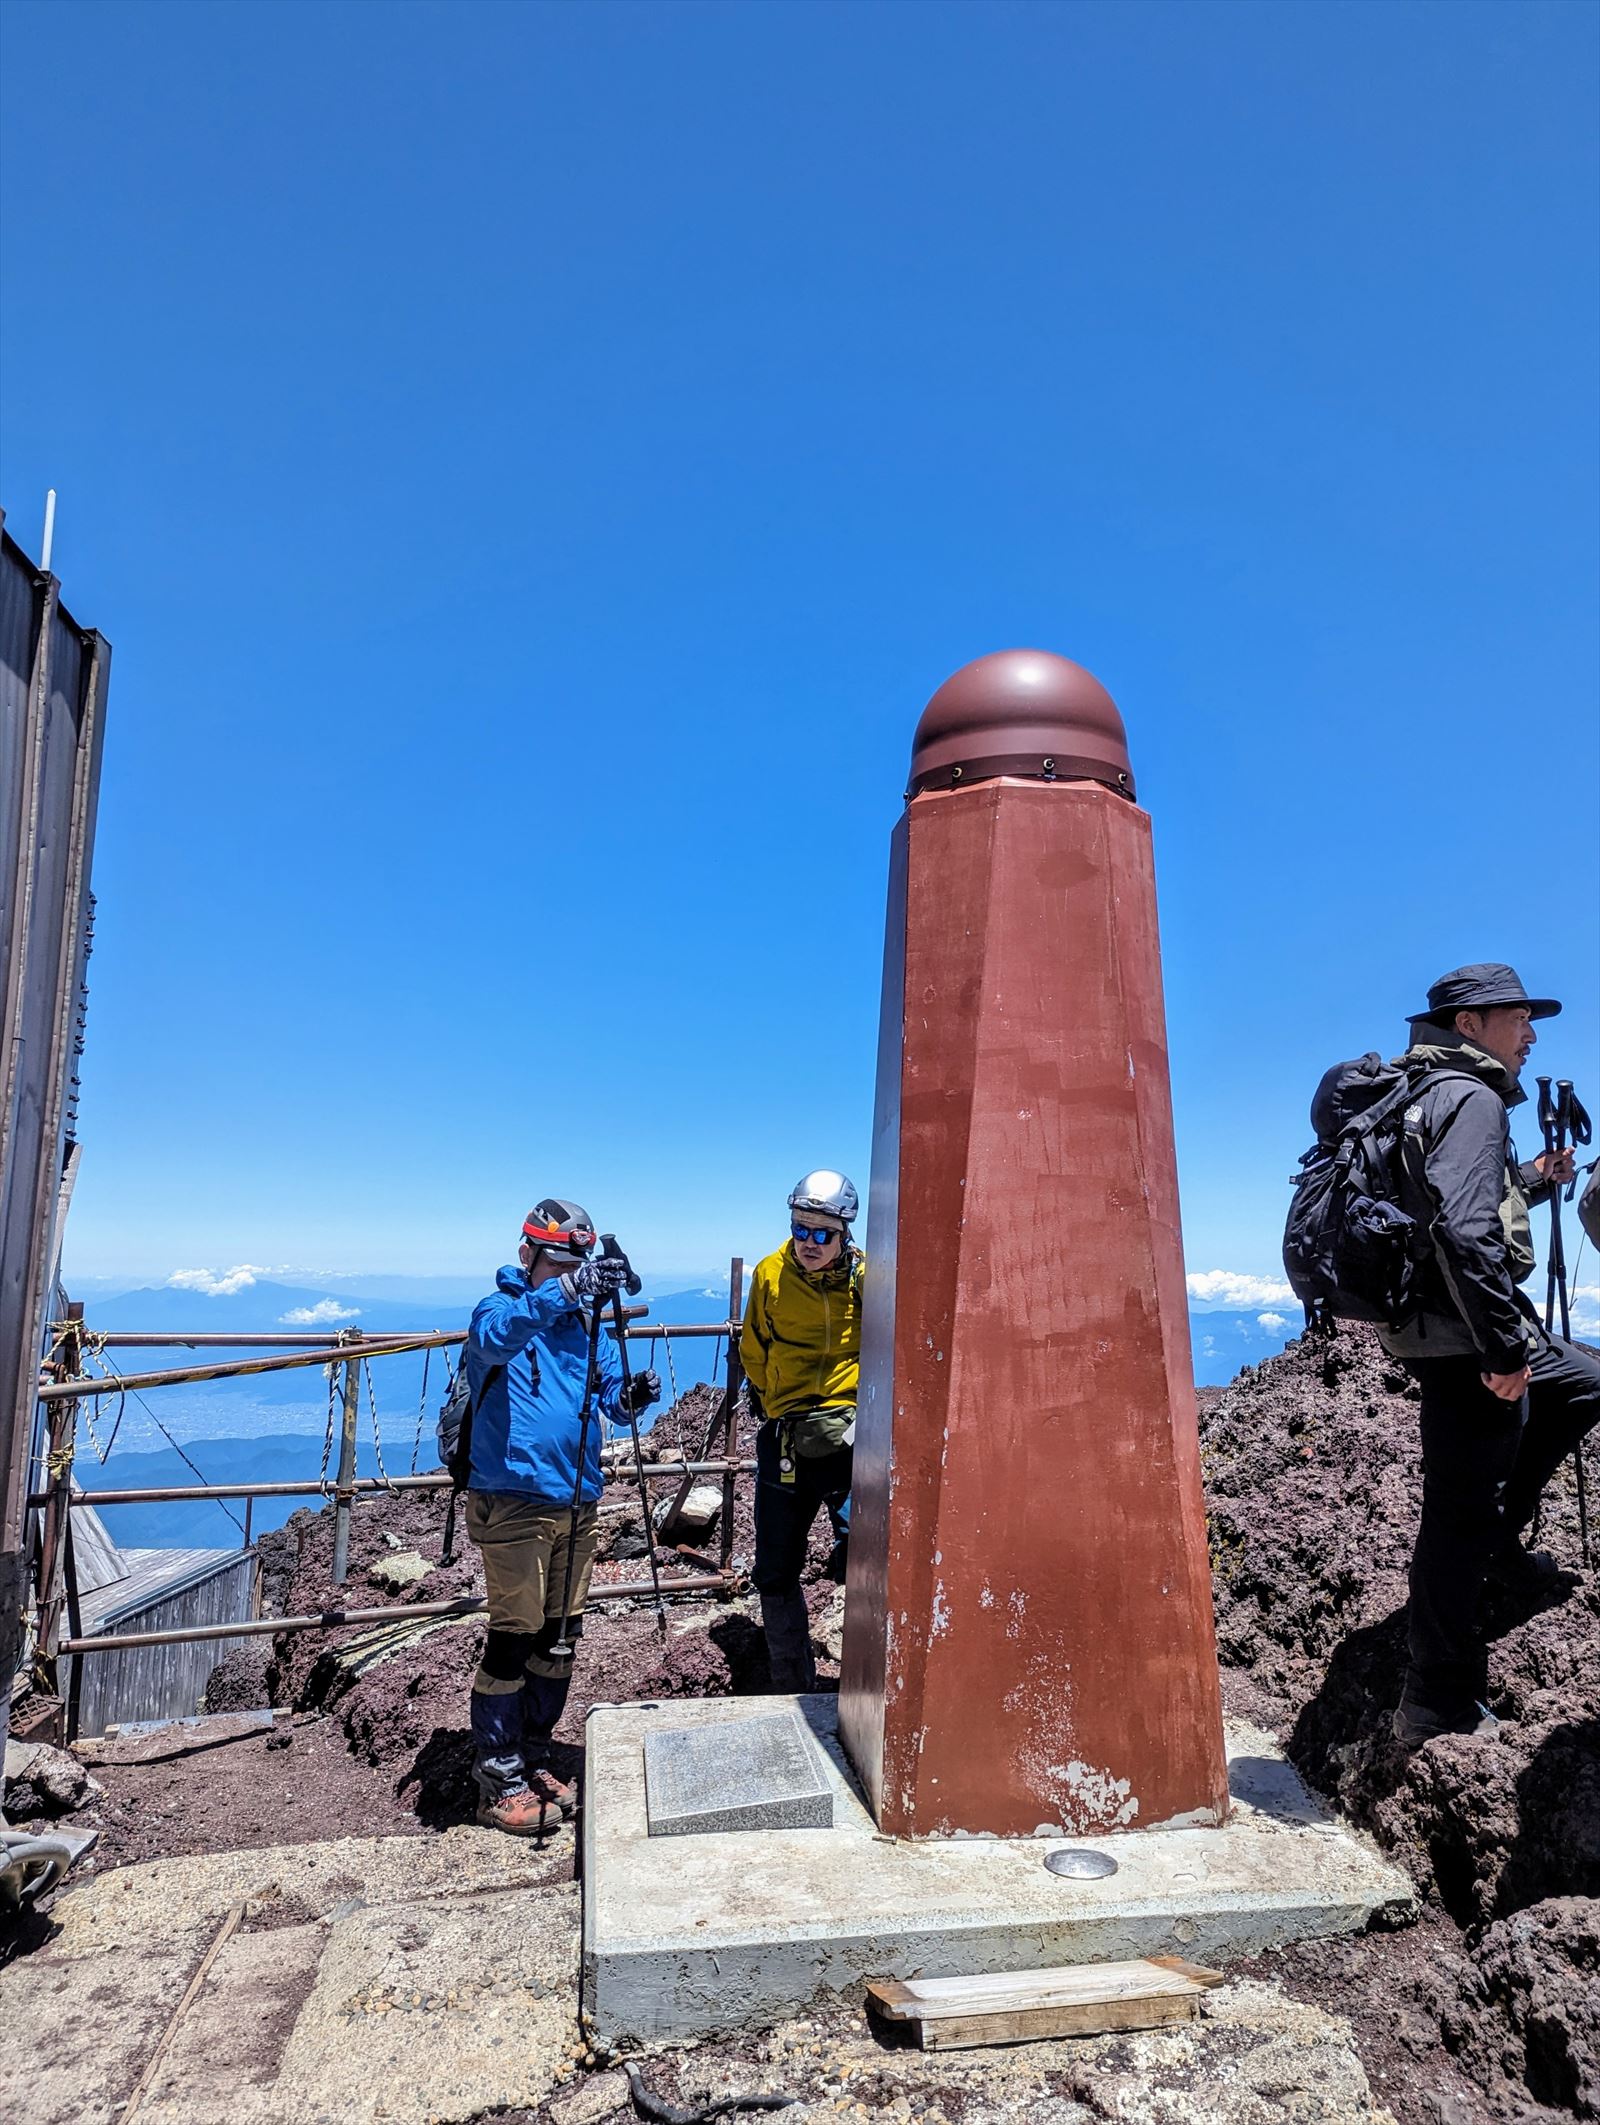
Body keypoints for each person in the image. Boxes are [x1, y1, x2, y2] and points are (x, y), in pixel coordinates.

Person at [1378, 966, 1598, 1748]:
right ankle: (1434, 1697)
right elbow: (1464, 1229)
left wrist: (1535, 1178)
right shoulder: (1471, 1097)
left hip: (1434, 1321)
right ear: (1469, 1024)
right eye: (1518, 1018)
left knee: (1582, 1381)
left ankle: (1501, 1541)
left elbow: (1459, 1199)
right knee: (1458, 1510)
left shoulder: (1425, 1090)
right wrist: (1503, 1347)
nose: (1531, 1034)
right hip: (1465, 1333)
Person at [463, 1199, 659, 1832]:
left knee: (559, 1637)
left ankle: (533, 1753)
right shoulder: (498, 1310)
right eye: (558, 1264)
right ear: (527, 1255)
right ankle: (498, 1775)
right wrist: (565, 1293)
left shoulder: (584, 1324)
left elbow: (609, 1397)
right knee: (514, 1635)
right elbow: (494, 1341)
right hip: (514, 1499)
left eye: (578, 1267)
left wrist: (630, 1396)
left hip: (578, 1498)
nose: (571, 1276)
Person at [739, 1170, 864, 1690]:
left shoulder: (865, 1279)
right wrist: (775, 1403)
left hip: (849, 1437)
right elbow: (753, 1348)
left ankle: (866, 1682)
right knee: (774, 1566)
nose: (809, 1243)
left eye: (822, 1234)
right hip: (787, 1436)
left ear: (844, 1233)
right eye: (800, 1229)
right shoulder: (770, 1274)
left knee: (864, 1555)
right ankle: (792, 1685)